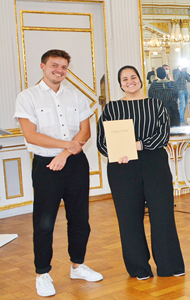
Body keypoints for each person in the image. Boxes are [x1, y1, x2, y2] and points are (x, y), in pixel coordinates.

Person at [14, 49, 103, 297]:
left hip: (74, 163)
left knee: (80, 219)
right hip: (46, 166)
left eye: (64, 67)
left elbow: (85, 132)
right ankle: (42, 273)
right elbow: (30, 135)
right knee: (44, 223)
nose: (59, 71)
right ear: (43, 66)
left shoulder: (76, 96)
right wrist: (65, 146)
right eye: (55, 65)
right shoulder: (27, 97)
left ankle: (78, 265)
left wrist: (66, 153)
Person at [96, 65, 185, 280]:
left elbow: (163, 136)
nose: (129, 81)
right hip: (122, 166)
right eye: (124, 79)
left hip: (154, 163)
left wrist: (137, 145)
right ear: (120, 84)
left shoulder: (156, 104)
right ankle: (138, 268)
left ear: (140, 80)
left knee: (163, 215)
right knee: (129, 218)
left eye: (133, 77)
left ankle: (169, 265)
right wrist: (119, 152)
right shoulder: (111, 109)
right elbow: (101, 141)